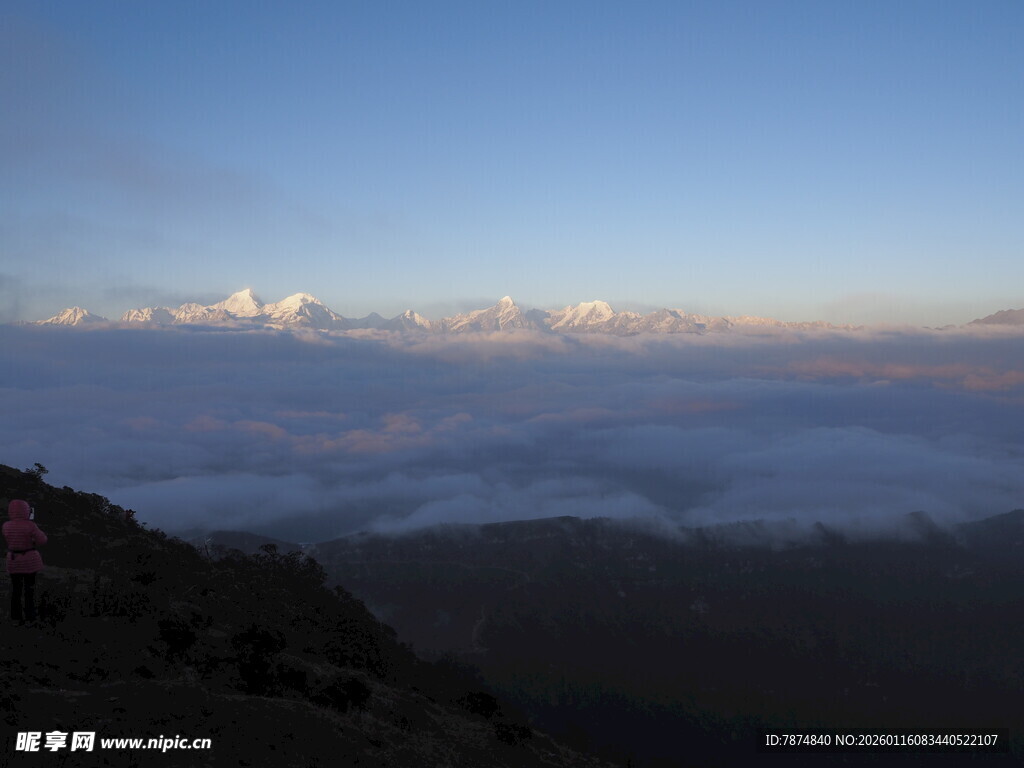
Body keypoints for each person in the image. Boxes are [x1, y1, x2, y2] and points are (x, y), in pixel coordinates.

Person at [3, 500, 48, 624]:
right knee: (30, 590)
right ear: (26, 510)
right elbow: (42, 540)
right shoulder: (30, 526)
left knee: (16, 590)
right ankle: (30, 616)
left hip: (13, 561)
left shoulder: (6, 525)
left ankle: (15, 617)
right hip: (29, 561)